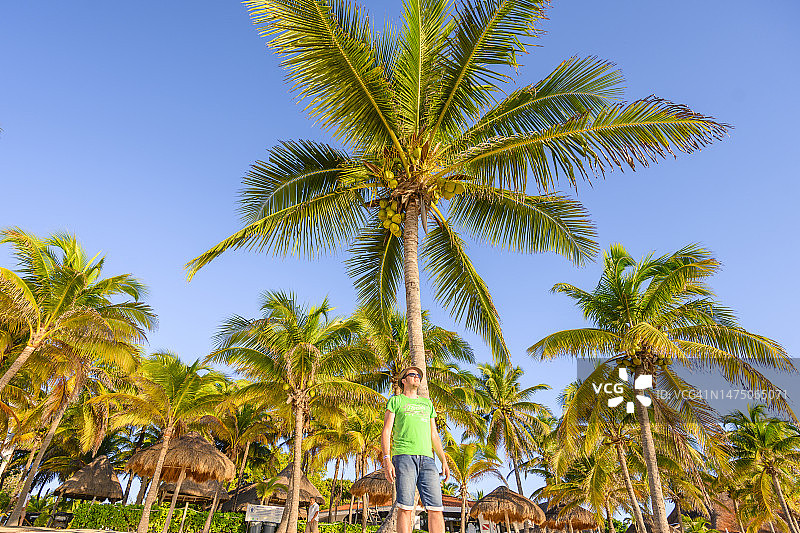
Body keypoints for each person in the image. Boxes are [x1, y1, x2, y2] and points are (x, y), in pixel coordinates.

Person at [382, 366, 450, 533]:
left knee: (436, 508)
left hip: (427, 460)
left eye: (419, 375)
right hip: (404, 457)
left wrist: (444, 460)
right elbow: (386, 431)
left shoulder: (427, 404)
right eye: (413, 375)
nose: (417, 377)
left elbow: (434, 434)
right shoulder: (395, 401)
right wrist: (387, 459)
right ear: (404, 380)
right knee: (405, 507)